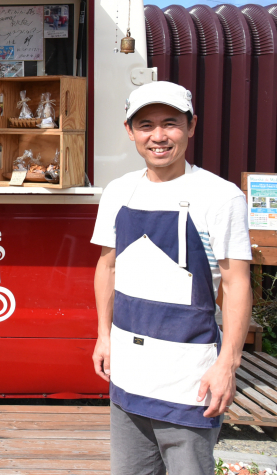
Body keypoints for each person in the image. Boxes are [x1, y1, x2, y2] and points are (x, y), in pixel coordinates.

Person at [91, 81, 252, 475]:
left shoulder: (220, 196)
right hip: (128, 373)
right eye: (145, 125)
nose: (158, 136)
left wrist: (227, 364)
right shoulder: (118, 191)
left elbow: (236, 283)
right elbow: (107, 266)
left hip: (190, 379)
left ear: (191, 126)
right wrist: (104, 334)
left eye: (170, 123)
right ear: (129, 131)